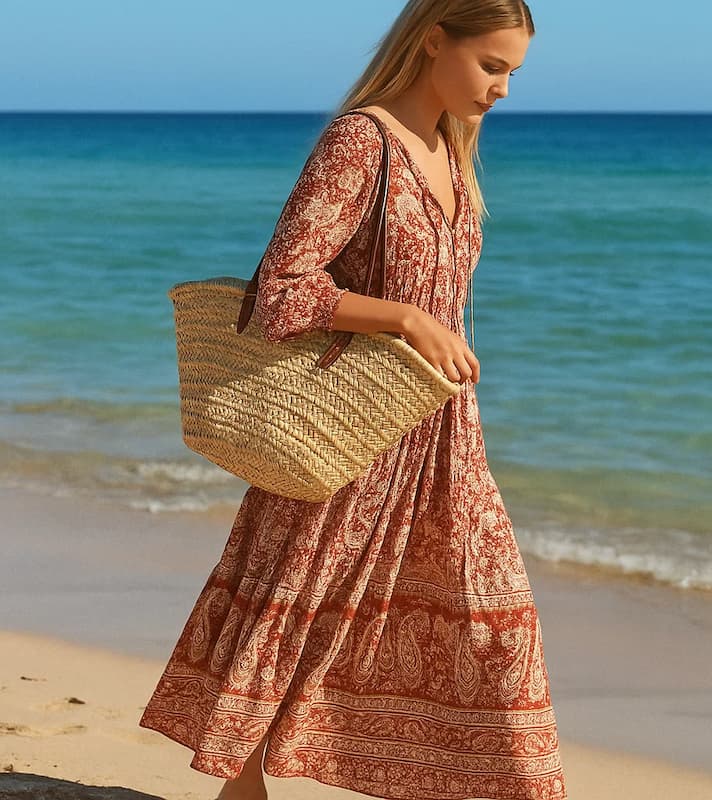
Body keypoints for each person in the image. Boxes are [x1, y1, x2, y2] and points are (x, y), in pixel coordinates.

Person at [139, 1, 568, 798]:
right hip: (351, 427)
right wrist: (404, 319)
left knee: (490, 620)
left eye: (514, 72)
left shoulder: (452, 147)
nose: (504, 89)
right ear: (434, 38)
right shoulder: (359, 142)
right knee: (301, 608)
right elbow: (281, 292)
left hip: (438, 433)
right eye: (492, 65)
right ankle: (242, 787)